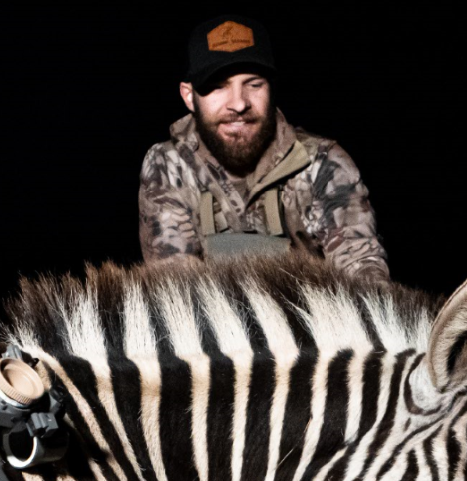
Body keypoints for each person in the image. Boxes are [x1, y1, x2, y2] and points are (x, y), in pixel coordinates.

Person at [138, 15, 389, 281]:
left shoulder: (323, 163)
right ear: (189, 96)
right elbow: (174, 288)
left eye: (254, 84)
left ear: (271, 88)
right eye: (217, 87)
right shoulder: (168, 165)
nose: (238, 104)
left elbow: (364, 277)